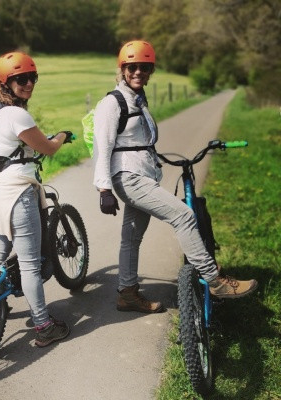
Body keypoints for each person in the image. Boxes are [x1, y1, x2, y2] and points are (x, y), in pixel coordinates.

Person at [93, 40, 258, 313]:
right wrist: (104, 189)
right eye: (132, 67)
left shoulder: (137, 99)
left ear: (151, 70)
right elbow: (103, 146)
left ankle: (127, 293)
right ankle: (214, 279)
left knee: (131, 238)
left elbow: (140, 139)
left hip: (143, 175)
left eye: (145, 68)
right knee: (183, 215)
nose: (138, 72)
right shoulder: (112, 103)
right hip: (128, 177)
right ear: (122, 69)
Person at [0, 51, 72, 347]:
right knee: (31, 265)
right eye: (20, 79)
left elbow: (20, 144)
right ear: (5, 82)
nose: (28, 83)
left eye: (32, 77)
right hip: (18, 193)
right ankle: (44, 326)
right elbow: (48, 148)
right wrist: (60, 136)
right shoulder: (17, 113)